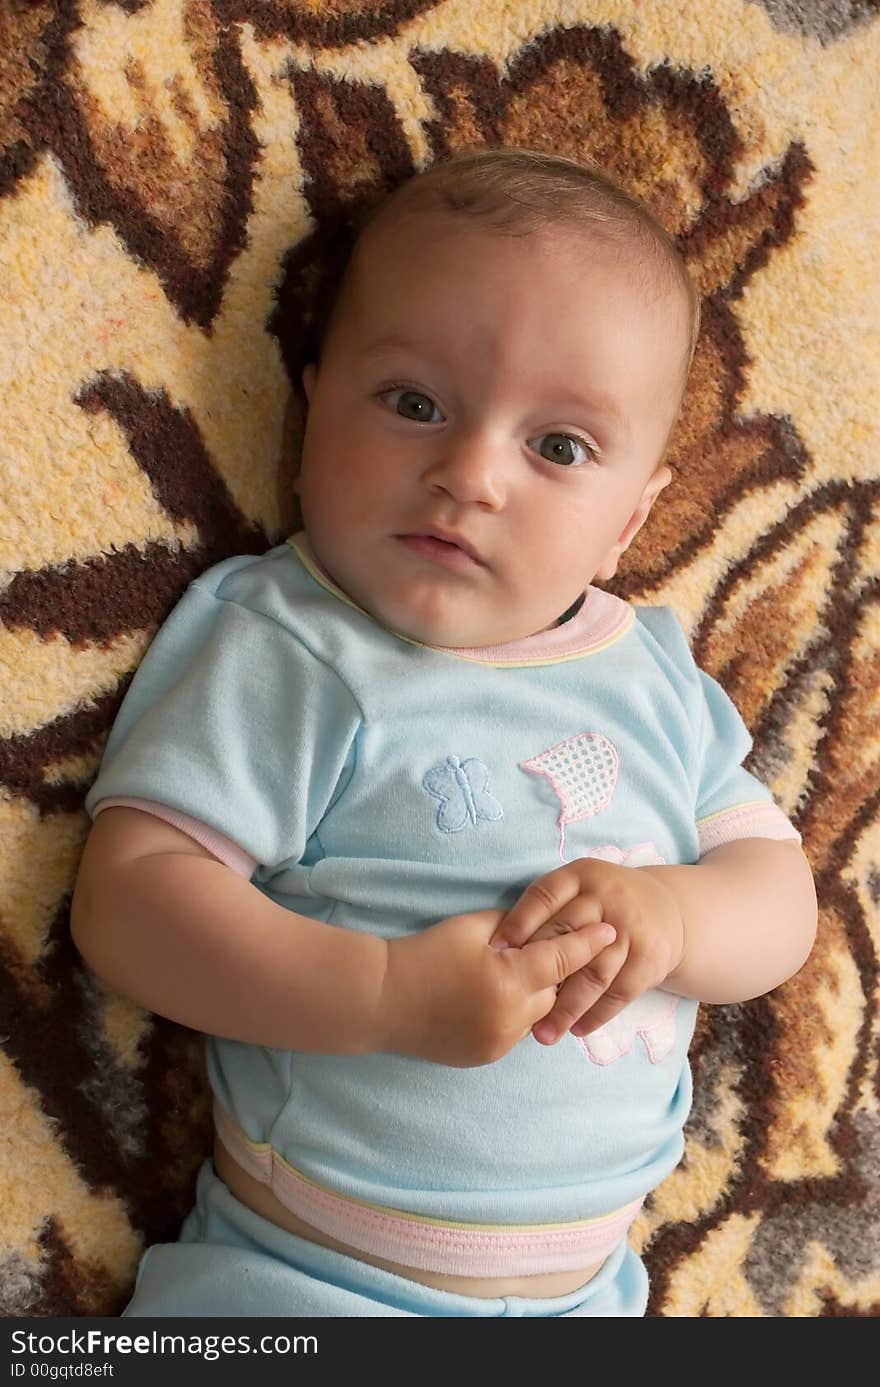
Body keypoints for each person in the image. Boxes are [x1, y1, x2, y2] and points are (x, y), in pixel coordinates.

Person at [70, 147, 818, 1318]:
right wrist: (382, 992)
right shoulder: (295, 640)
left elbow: (779, 901)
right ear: (313, 401)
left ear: (629, 518)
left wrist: (673, 917)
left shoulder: (654, 674)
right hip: (304, 1278)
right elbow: (130, 901)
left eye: (557, 446)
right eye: (413, 404)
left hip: (595, 1293)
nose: (468, 474)